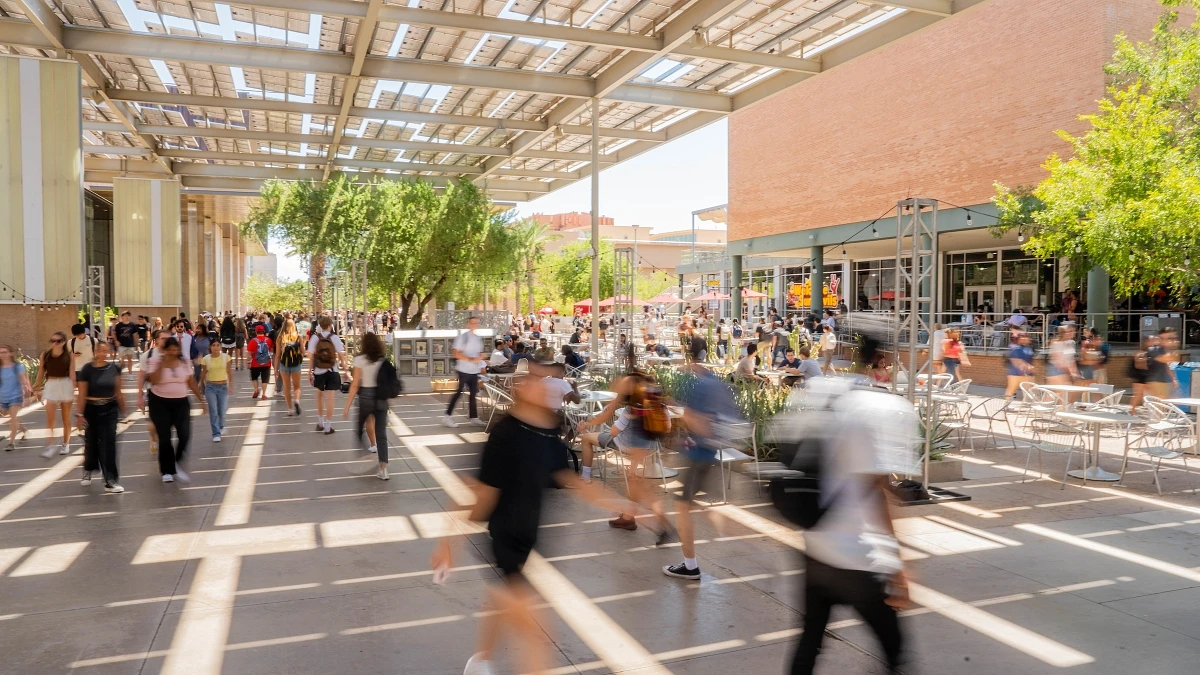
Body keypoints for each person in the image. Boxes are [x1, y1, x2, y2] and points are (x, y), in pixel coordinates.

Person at [430, 368, 629, 675]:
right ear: (522, 391)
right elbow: (480, 493)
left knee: (501, 600)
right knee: (536, 632)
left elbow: (572, 481)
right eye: (537, 384)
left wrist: (620, 504)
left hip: (529, 536)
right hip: (504, 538)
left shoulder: (547, 432)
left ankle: (479, 661)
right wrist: (448, 544)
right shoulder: (505, 433)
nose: (546, 389)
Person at [784, 352, 915, 675]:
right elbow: (876, 494)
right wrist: (898, 567)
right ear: (880, 365)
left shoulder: (826, 398)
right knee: (895, 649)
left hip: (815, 550)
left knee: (809, 642)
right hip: (856, 558)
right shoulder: (874, 411)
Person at [662, 352, 742, 580]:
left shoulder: (701, 388)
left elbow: (699, 422)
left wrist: (681, 420)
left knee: (682, 506)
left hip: (701, 454)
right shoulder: (718, 383)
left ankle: (690, 566)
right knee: (689, 505)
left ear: (692, 361)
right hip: (712, 453)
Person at [576, 369, 670, 536]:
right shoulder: (656, 403)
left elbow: (613, 431)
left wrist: (588, 424)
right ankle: (630, 518)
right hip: (649, 446)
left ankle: (659, 524)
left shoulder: (630, 410)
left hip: (627, 445)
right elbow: (667, 427)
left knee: (639, 488)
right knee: (636, 485)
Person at [146, 336, 205, 482]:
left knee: (184, 435)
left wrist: (201, 400)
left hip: (181, 403)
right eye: (170, 350)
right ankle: (166, 470)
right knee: (165, 437)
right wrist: (162, 363)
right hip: (159, 403)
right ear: (165, 350)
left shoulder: (184, 362)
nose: (173, 352)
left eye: (175, 349)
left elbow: (191, 382)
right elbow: (153, 380)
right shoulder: (155, 361)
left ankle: (176, 462)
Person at [75, 342, 125, 492]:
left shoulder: (114, 368)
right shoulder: (87, 369)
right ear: (95, 351)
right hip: (91, 410)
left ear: (109, 352)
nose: (102, 353)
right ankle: (88, 468)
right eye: (99, 350)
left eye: (106, 351)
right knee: (91, 443)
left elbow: (118, 391)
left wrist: (124, 411)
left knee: (109, 444)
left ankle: (110, 480)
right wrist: (79, 414)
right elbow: (82, 394)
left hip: (110, 409)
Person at [343, 332, 391, 480]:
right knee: (381, 434)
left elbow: (356, 384)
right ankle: (384, 469)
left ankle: (365, 452)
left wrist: (347, 406)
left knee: (358, 429)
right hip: (381, 398)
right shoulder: (382, 360)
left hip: (366, 397)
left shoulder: (359, 360)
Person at [33, 331, 75, 458]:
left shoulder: (69, 355)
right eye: (53, 341)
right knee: (50, 418)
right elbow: (41, 371)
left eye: (58, 341)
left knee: (65, 418)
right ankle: (49, 445)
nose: (55, 343)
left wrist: (74, 388)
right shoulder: (45, 355)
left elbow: (72, 373)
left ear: (63, 342)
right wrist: (38, 386)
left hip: (65, 384)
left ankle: (66, 443)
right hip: (51, 384)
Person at [443, 316, 486, 428]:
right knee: (458, 392)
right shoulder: (463, 337)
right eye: (473, 323)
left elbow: (480, 353)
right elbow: (456, 354)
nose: (475, 325)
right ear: (468, 324)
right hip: (463, 369)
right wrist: (471, 359)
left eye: (477, 323)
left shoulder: (478, 338)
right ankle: (447, 416)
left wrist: (481, 357)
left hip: (474, 370)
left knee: (473, 394)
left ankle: (474, 417)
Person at [307, 316, 346, 434]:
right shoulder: (334, 338)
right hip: (332, 370)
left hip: (319, 370)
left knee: (319, 396)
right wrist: (346, 370)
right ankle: (328, 426)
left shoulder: (315, 338)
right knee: (330, 398)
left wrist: (310, 371)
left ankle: (320, 422)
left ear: (320, 325)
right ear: (330, 325)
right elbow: (341, 355)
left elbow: (310, 356)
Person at [200, 339, 233, 442]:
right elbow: (203, 373)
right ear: (210, 347)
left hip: (223, 386)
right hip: (210, 387)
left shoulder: (226, 357)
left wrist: (230, 385)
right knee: (213, 410)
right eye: (213, 345)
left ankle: (222, 426)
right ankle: (216, 433)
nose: (216, 347)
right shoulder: (206, 359)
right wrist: (201, 385)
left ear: (220, 346)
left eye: (218, 345)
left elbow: (229, 372)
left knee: (222, 411)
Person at [0, 345, 31, 450]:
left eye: (4, 352)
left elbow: (24, 382)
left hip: (16, 396)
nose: (3, 355)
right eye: (1, 353)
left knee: (13, 417)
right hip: (3, 396)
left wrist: (27, 397)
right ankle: (23, 429)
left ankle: (11, 442)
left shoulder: (17, 367)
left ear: (10, 353)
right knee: (7, 415)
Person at [275, 319, 305, 417]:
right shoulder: (298, 337)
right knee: (297, 387)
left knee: (287, 387)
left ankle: (290, 409)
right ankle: (296, 400)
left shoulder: (280, 338)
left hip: (284, 364)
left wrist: (275, 369)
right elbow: (303, 352)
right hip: (296, 364)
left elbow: (278, 355)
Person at [1146, 328, 1179, 399]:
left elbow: (1166, 365)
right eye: (1168, 338)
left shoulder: (1163, 349)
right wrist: (1171, 347)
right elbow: (1164, 359)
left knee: (1165, 404)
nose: (1170, 340)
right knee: (1160, 404)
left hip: (1163, 381)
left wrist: (1173, 379)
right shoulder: (1152, 350)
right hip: (1154, 381)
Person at [247, 325, 275, 399]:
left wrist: (248, 362)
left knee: (254, 377)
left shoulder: (253, 341)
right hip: (266, 363)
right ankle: (264, 394)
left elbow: (249, 353)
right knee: (265, 379)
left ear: (256, 332)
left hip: (255, 363)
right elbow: (271, 350)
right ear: (264, 332)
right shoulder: (268, 340)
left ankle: (256, 390)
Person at [1005, 331, 1035, 398]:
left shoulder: (1029, 349)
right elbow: (1015, 360)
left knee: (1029, 391)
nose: (1025, 339)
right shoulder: (1015, 348)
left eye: (1026, 337)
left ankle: (1027, 404)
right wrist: (1026, 366)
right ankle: (1007, 404)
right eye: (1022, 337)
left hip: (1027, 374)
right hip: (1014, 373)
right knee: (1012, 388)